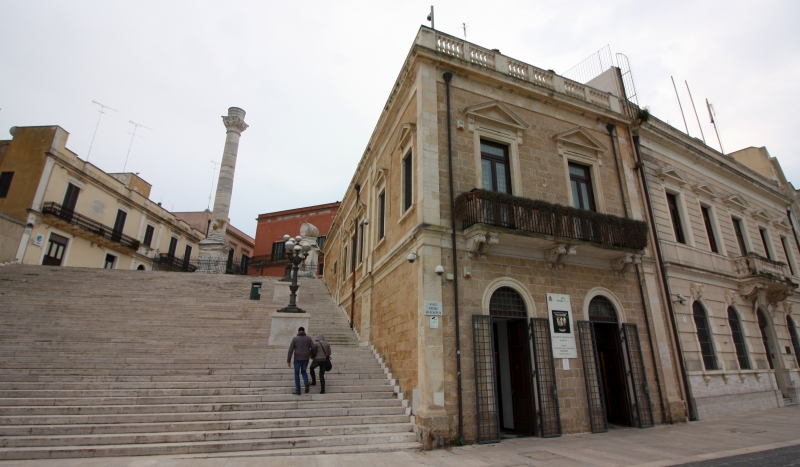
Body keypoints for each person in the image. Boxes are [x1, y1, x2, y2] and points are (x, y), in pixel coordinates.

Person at [287, 326, 314, 395]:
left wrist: (288, 360)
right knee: (304, 371)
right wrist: (310, 354)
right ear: (304, 331)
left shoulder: (295, 339)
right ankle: (306, 382)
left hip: (297, 358)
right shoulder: (308, 338)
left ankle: (298, 390)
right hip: (306, 358)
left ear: (298, 331)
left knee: (296, 373)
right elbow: (313, 348)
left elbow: (290, 350)